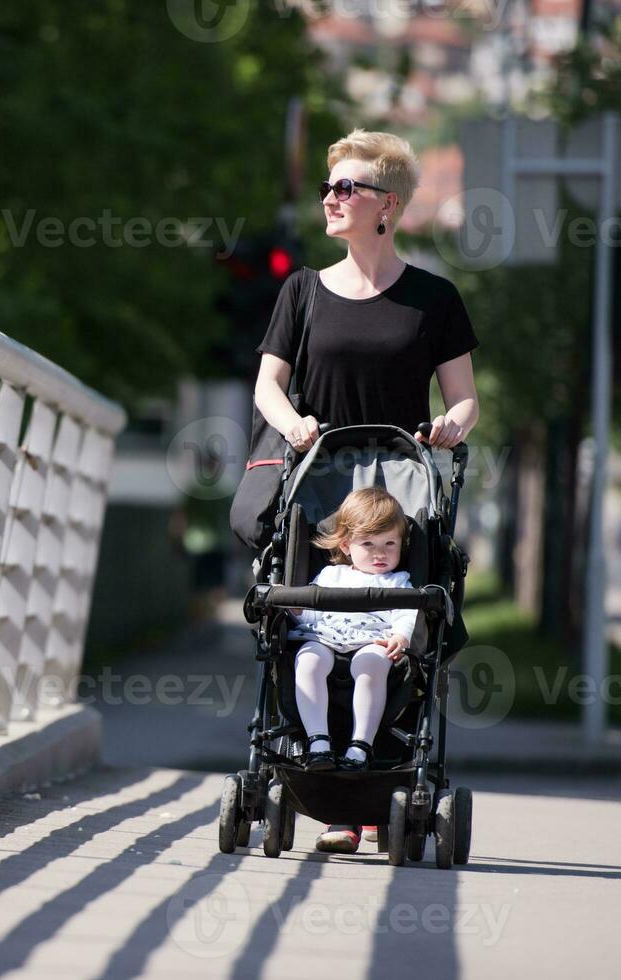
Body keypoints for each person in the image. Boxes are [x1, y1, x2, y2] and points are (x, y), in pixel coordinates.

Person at [253, 128, 480, 853]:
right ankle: (325, 782)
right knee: (302, 621)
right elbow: (268, 384)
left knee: (397, 631)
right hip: (317, 480)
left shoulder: (432, 298)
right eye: (327, 188)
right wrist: (292, 426)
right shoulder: (302, 291)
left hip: (399, 489)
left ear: (386, 206)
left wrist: (448, 424)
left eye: (345, 188)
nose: (330, 198)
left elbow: (465, 398)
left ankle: (376, 788)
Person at [287, 489, 416, 854]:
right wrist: (287, 606)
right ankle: (319, 742)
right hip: (324, 639)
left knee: (371, 663)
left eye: (390, 543)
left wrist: (401, 637)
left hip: (372, 643)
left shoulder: (398, 582)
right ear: (345, 545)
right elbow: (307, 613)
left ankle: (360, 745)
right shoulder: (331, 576)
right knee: (307, 659)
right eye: (369, 544)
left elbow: (408, 613)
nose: (381, 554)